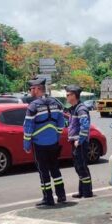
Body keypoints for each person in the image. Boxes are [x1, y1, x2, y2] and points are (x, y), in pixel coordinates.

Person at [23, 77, 66, 206]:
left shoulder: (33, 106)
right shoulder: (56, 103)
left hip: (39, 144)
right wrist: (56, 137)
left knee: (43, 172)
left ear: (37, 89)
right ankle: (62, 195)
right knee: (55, 169)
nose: (30, 91)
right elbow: (61, 122)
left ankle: (48, 198)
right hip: (53, 143)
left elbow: (28, 127)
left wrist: (26, 144)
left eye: (31, 89)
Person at [65, 85, 93, 198]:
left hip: (80, 143)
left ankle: (87, 192)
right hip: (76, 142)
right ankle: (82, 191)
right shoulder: (74, 108)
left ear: (73, 95)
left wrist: (80, 140)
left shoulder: (81, 109)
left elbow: (85, 125)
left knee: (81, 167)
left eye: (68, 95)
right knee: (79, 167)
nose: (66, 97)